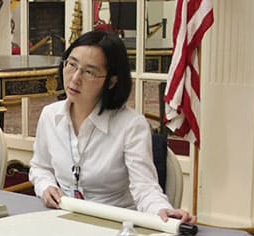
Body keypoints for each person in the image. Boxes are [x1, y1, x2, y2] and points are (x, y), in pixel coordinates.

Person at [29, 30, 196, 224]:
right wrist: (46, 187)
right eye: (72, 65)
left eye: (89, 72)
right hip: (65, 220)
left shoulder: (131, 126)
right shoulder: (50, 115)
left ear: (112, 81)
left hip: (116, 227)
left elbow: (145, 188)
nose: (75, 78)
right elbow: (40, 167)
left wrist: (164, 211)